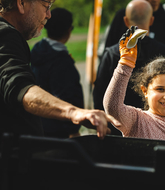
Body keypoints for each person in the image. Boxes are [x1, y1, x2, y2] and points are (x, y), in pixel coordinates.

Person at [0, 0, 111, 142]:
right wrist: (74, 112)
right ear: (21, 3)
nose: (49, 15)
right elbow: (19, 86)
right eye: (46, 6)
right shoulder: (5, 35)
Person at [103, 27, 165, 143]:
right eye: (160, 89)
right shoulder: (136, 120)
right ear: (145, 90)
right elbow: (113, 107)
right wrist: (126, 63)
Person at [93, 0, 165, 135]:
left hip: (117, 129)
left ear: (125, 21)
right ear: (151, 20)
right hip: (156, 129)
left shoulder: (112, 54)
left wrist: (104, 123)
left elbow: (99, 91)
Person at [30, 8, 83, 138]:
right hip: (58, 131)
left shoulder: (37, 51)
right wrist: (73, 129)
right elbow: (67, 96)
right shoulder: (61, 62)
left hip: (37, 124)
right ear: (69, 30)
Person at [103, 0, 165, 75]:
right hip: (123, 86)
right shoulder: (123, 16)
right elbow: (109, 55)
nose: (154, 0)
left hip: (158, 89)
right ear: (127, 21)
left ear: (151, 20)